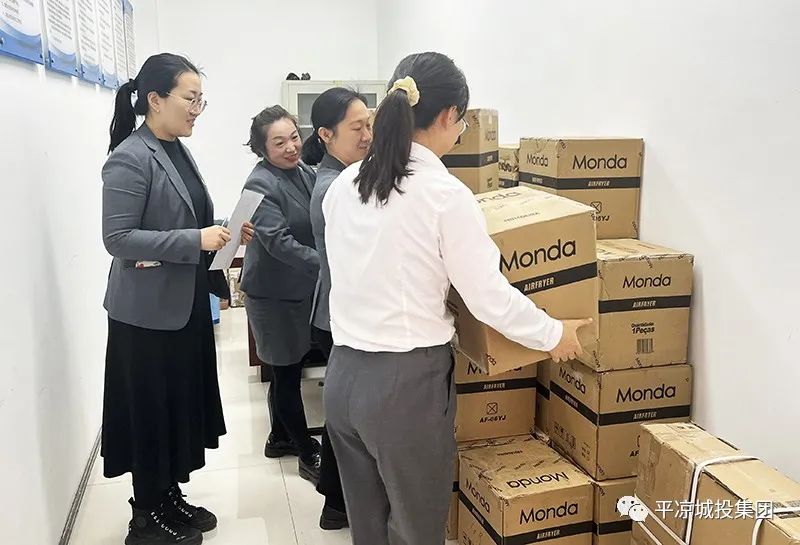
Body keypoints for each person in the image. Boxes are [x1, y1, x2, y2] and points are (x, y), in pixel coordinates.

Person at [321, 51, 593, 545]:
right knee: (416, 529)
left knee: (368, 526)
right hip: (403, 387)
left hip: (342, 379)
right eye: (462, 122)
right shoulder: (442, 194)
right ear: (448, 116)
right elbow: (488, 297)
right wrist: (554, 334)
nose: (462, 132)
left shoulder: (343, 185)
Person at [102, 53, 254, 545]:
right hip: (145, 318)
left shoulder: (175, 150)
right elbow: (118, 239)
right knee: (151, 412)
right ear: (154, 99)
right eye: (191, 99)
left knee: (175, 406)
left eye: (201, 100)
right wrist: (195, 240)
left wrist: (225, 233)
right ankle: (145, 517)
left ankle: (168, 495)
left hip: (183, 305)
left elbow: (182, 218)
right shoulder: (130, 157)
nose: (197, 109)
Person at [301, 88, 373, 530]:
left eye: (369, 125)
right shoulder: (335, 187)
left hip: (336, 312)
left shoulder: (346, 175)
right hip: (339, 317)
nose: (367, 135)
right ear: (326, 134)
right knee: (347, 417)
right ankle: (337, 501)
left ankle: (336, 501)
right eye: (356, 127)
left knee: (343, 413)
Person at [240, 105, 322, 484]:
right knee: (286, 374)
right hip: (272, 295)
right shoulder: (260, 184)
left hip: (297, 289)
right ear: (261, 148)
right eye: (279, 142)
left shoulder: (303, 171)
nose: (291, 147)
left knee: (288, 367)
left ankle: (279, 437)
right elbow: (279, 243)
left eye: (294, 137)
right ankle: (306, 453)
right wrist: (328, 264)